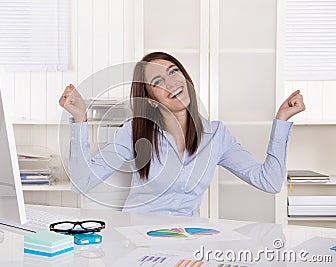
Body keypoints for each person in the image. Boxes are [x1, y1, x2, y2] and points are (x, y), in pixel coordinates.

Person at [59, 52, 305, 217]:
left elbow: (270, 181)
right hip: (138, 242)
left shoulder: (216, 134)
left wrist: (281, 121)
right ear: (150, 101)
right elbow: (83, 182)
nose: (171, 82)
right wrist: (80, 119)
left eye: (174, 72)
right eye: (158, 81)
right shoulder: (134, 132)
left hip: (189, 243)